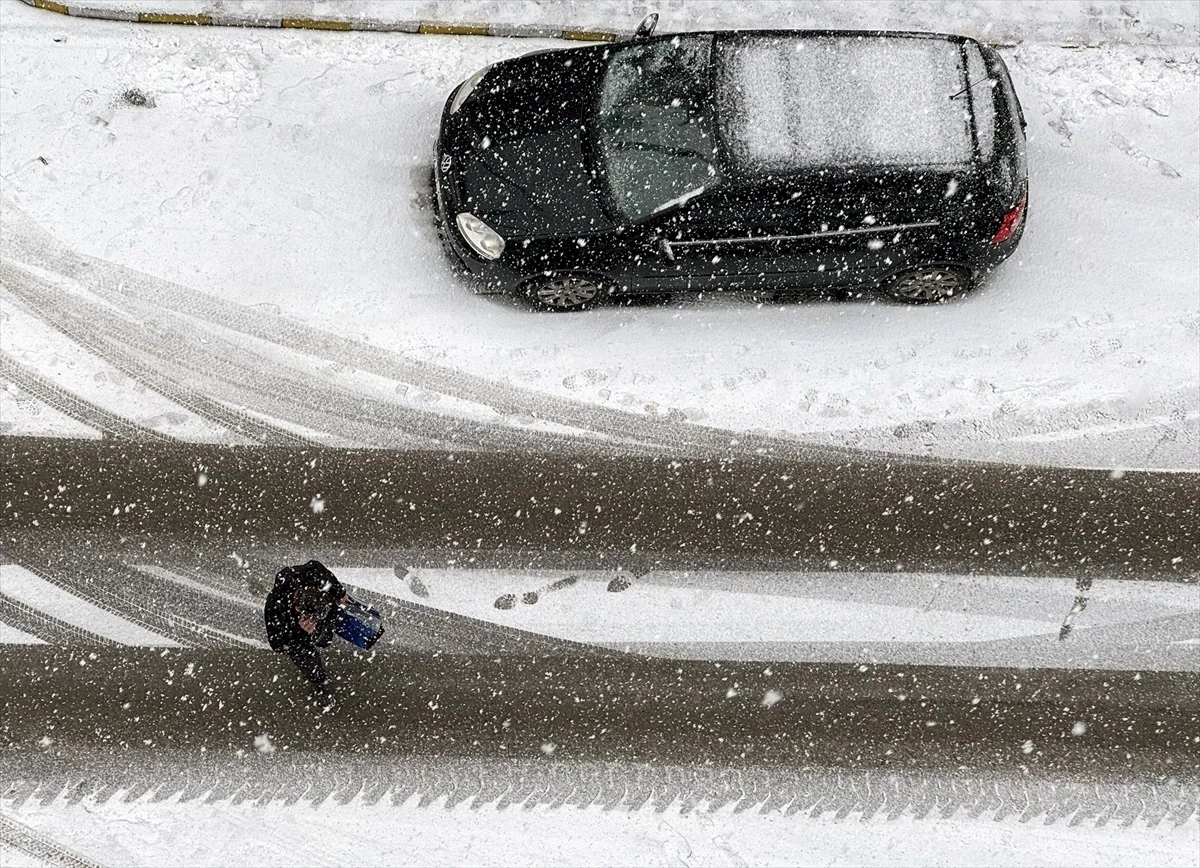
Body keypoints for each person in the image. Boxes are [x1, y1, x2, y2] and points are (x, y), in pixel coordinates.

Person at [263, 559, 350, 689]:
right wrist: (304, 631)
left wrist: (339, 592)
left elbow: (316, 567)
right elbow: (277, 644)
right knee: (306, 659)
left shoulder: (311, 576)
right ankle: (319, 683)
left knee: (327, 631)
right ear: (299, 610)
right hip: (294, 634)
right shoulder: (275, 610)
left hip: (314, 606)